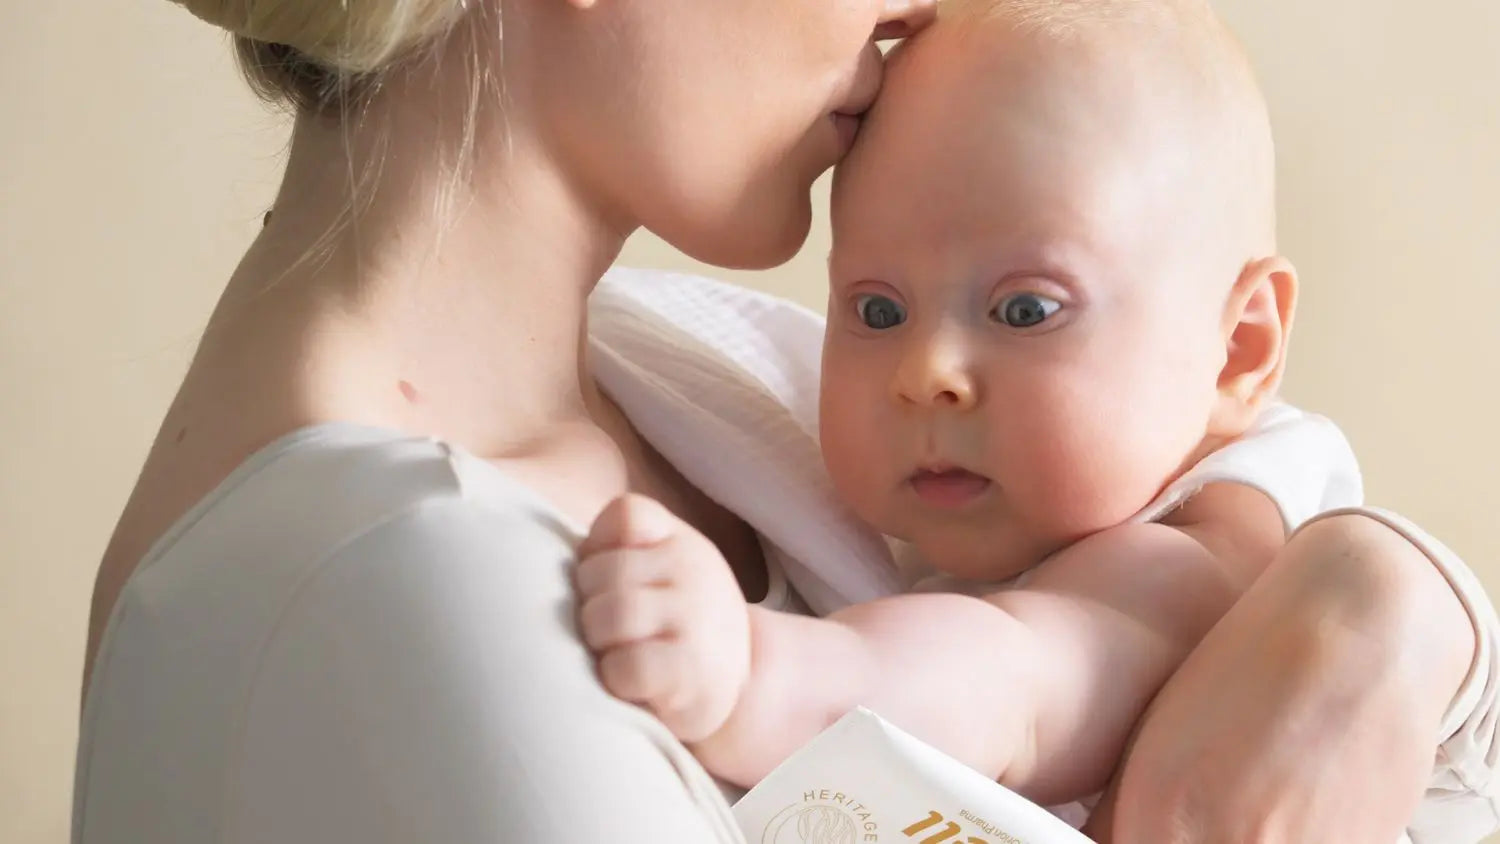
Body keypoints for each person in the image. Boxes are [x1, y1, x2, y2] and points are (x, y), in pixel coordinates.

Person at [73, 0, 1494, 842]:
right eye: (882, 308)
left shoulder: (699, 388)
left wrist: (1393, 595)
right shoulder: (393, 581)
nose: (916, 8)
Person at [572, 3, 1500, 842]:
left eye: (1025, 311)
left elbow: (1021, 681)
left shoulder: (1208, 555)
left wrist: (762, 672)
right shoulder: (707, 374)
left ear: (1239, 351)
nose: (926, 373)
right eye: (879, 310)